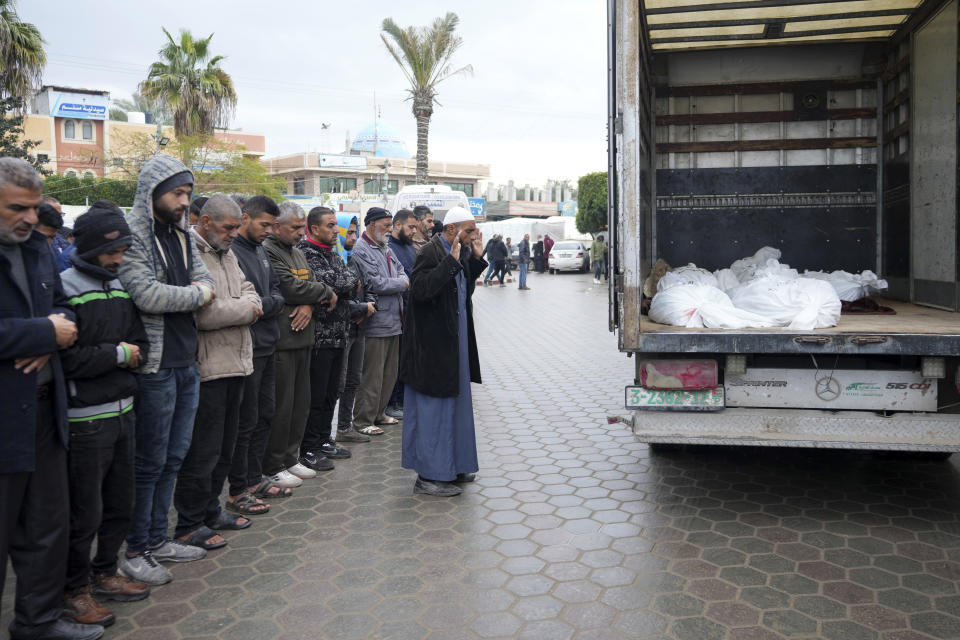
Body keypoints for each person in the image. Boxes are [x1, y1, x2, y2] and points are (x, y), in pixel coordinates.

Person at [0, 158, 103, 640]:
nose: (27, 218)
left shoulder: (39, 248)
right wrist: (40, 334)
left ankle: (37, 625)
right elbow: (47, 324)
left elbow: (62, 308)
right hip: (4, 420)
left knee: (47, 528)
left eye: (34, 208)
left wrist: (55, 332)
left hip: (45, 413)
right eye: (16, 208)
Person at [116, 155, 215, 585]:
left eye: (188, 194)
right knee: (150, 461)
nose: (183, 202)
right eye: (177, 193)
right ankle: (135, 549)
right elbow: (146, 295)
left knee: (174, 457)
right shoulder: (133, 234)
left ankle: (158, 540)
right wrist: (196, 294)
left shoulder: (181, 234)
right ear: (153, 191)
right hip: (153, 366)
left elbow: (205, 279)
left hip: (185, 361)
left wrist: (196, 291)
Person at [59, 201, 151, 629]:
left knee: (119, 504)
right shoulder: (65, 287)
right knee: (85, 512)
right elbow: (69, 359)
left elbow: (141, 345)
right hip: (85, 420)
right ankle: (74, 591)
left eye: (123, 251)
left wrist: (124, 355)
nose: (118, 259)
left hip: (124, 411)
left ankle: (105, 572)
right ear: (91, 247)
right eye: (112, 252)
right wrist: (118, 354)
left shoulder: (120, 287)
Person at [174, 196, 262, 551]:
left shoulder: (229, 254)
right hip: (208, 368)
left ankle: (211, 510)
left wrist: (241, 305)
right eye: (228, 228)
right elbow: (202, 313)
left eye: (235, 228)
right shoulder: (189, 253)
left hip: (237, 363)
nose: (233, 235)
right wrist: (246, 309)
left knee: (225, 449)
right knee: (203, 452)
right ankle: (188, 523)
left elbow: (251, 293)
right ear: (206, 222)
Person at [400, 206, 486, 497]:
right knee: (434, 412)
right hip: (432, 350)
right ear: (451, 230)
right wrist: (451, 262)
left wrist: (473, 259)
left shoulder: (457, 250)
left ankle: (455, 466)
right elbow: (422, 291)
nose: (474, 234)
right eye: (470, 229)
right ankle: (429, 476)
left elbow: (461, 292)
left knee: (456, 409)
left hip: (454, 346)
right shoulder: (430, 253)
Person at [263, 201, 336, 486]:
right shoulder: (269, 250)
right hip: (283, 340)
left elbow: (311, 283)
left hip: (304, 338)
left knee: (300, 405)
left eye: (301, 227)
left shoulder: (297, 252)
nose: (300, 233)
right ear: (277, 226)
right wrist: (322, 293)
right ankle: (273, 463)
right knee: (281, 407)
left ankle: (291, 458)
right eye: (294, 228)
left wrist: (309, 302)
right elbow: (289, 287)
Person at [228, 196, 290, 508]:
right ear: (245, 218)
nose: (269, 230)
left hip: (268, 344)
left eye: (272, 225)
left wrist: (267, 305)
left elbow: (277, 293)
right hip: (247, 348)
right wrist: (268, 305)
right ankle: (238, 488)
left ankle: (254, 477)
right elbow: (245, 303)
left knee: (265, 414)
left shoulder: (261, 252)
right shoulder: (232, 253)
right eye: (264, 224)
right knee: (246, 420)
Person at [299, 206, 358, 468]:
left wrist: (337, 287)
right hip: (319, 338)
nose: (336, 231)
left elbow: (351, 280)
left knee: (332, 393)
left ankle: (324, 439)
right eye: (330, 226)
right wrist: (336, 287)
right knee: (316, 395)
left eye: (336, 225)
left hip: (340, 335)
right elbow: (333, 283)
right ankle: (309, 446)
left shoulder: (333, 254)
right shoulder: (306, 253)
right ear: (314, 229)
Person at [351, 207, 408, 433]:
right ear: (372, 224)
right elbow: (374, 283)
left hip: (394, 320)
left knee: (389, 373)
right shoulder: (362, 250)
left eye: (390, 224)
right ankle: (363, 420)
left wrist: (399, 281)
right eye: (385, 224)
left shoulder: (386, 248)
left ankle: (379, 414)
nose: (389, 229)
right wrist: (401, 284)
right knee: (371, 375)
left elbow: (402, 271)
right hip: (375, 323)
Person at [336, 217, 379, 440]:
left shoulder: (354, 260)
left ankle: (344, 429)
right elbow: (334, 294)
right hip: (339, 331)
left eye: (354, 233)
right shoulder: (334, 259)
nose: (352, 238)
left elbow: (370, 286)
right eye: (349, 233)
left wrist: (368, 307)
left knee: (354, 380)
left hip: (359, 329)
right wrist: (361, 308)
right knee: (339, 384)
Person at [385, 209, 418, 418]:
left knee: (406, 361)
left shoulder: (410, 248)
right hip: (396, 314)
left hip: (412, 313)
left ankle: (403, 400)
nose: (414, 231)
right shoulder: (390, 249)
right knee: (395, 363)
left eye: (415, 227)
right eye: (411, 227)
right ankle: (392, 403)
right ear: (397, 225)